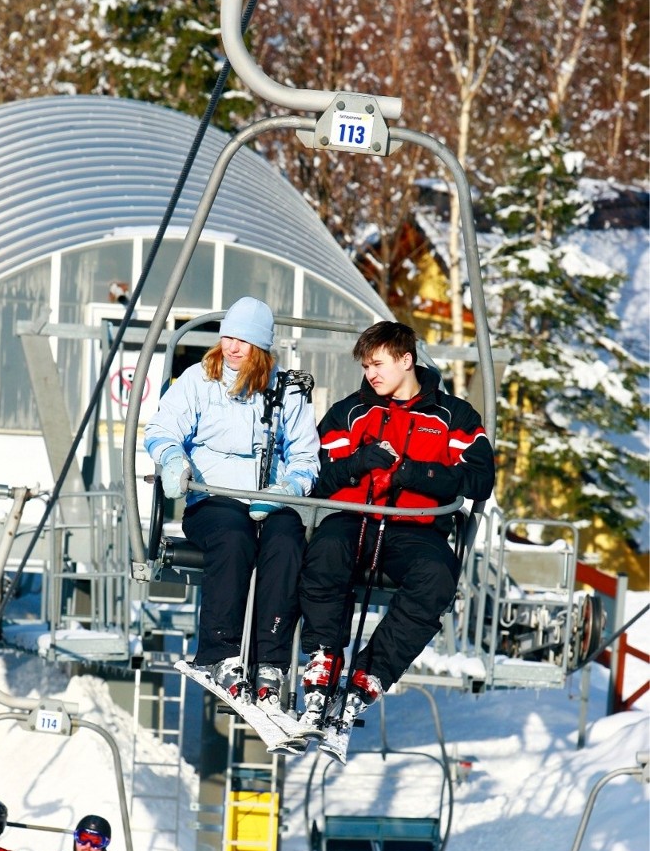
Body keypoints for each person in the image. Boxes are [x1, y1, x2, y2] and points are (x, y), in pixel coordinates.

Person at [298, 320, 495, 726]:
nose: (371, 374)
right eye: (366, 366)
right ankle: (324, 655)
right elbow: (314, 475)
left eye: (378, 364)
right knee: (326, 550)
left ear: (407, 360)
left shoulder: (452, 416)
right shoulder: (350, 413)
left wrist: (416, 474)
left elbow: (480, 481)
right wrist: (357, 464)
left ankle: (372, 671)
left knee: (437, 575)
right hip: (355, 519)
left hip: (416, 527)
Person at [143, 297, 319, 711]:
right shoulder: (199, 380)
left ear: (260, 348)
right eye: (228, 337)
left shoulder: (285, 390)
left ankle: (272, 663)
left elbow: (306, 456)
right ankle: (218, 653)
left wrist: (288, 490)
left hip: (270, 500)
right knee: (235, 539)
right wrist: (172, 459)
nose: (233, 348)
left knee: (288, 544)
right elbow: (163, 427)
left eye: (243, 341)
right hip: (214, 497)